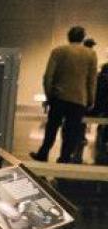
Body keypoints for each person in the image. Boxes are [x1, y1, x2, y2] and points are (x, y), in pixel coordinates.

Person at [32, 25, 98, 163]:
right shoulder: (90, 54)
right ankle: (65, 157)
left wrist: (49, 95)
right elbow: (92, 80)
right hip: (79, 98)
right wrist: (91, 99)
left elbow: (48, 76)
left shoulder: (58, 51)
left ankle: (43, 153)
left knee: (52, 127)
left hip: (59, 97)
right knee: (71, 131)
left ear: (69, 36)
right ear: (82, 37)